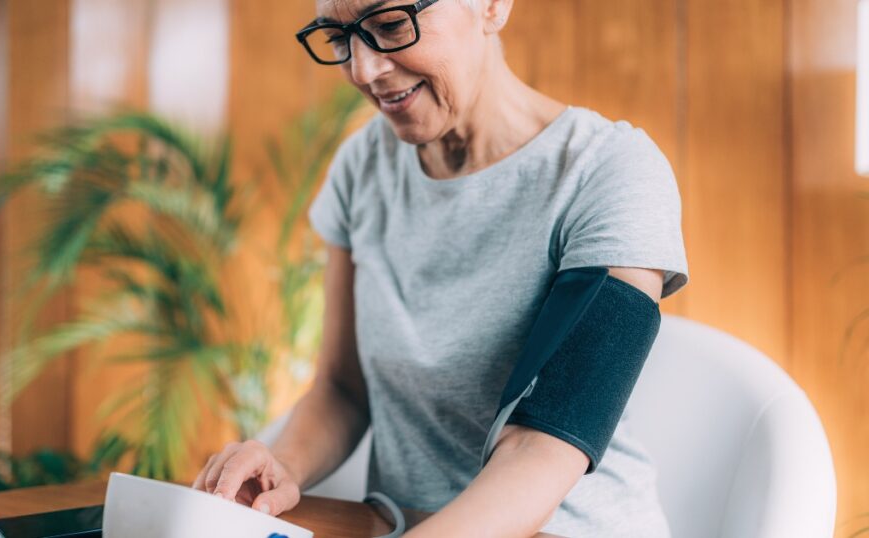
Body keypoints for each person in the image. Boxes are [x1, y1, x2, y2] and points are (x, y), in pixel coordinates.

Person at [192, 0, 689, 535]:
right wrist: (282, 464)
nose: (363, 69)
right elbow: (342, 387)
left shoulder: (609, 173)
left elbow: (546, 441)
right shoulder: (363, 167)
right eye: (339, 39)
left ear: (493, 6)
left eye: (389, 25)